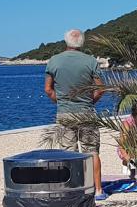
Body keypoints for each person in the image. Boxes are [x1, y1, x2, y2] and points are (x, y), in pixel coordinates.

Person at [44, 29, 107, 198]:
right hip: (87, 112)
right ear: (82, 42)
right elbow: (101, 89)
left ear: (66, 41)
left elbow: (48, 89)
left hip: (65, 113)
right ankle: (99, 190)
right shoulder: (90, 61)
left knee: (67, 152)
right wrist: (89, 102)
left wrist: (63, 103)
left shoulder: (54, 61)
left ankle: (70, 190)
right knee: (92, 151)